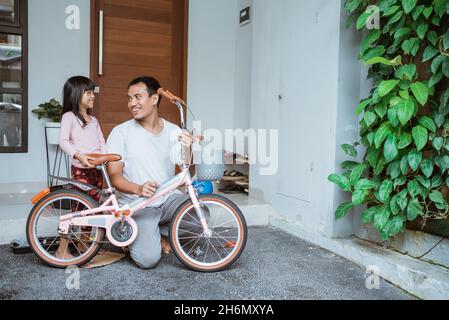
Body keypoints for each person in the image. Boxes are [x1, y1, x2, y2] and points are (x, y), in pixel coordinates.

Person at [106, 76, 193, 269]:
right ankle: (150, 234)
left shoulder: (173, 130)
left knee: (200, 213)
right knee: (148, 260)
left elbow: (185, 165)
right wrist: (138, 188)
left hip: (168, 200)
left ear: (154, 99)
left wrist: (187, 146)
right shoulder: (121, 133)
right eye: (129, 98)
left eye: (137, 97)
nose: (132, 103)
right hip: (138, 205)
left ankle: (160, 232)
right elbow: (115, 177)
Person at [56, 76, 106, 259]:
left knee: (94, 207)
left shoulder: (94, 120)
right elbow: (63, 141)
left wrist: (105, 158)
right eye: (89, 92)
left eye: (93, 92)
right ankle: (62, 249)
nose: (93, 96)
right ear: (77, 94)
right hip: (81, 169)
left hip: (96, 170)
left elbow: (101, 142)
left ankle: (84, 245)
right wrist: (78, 155)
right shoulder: (69, 117)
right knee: (79, 208)